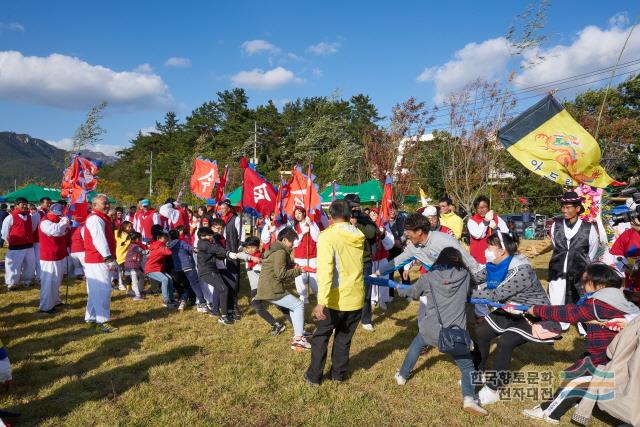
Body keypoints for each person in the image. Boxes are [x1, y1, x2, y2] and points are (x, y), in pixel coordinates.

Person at [522, 264, 640, 424]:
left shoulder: (600, 302)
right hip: (624, 354)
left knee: (576, 377)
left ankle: (549, 412)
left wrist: (536, 310)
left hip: (608, 356)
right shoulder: (619, 297)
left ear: (600, 284)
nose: (582, 285)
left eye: (585, 281)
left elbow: (570, 314)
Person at [394, 247, 488, 416]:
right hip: (455, 334)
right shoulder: (465, 276)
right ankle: (469, 398)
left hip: (430, 329)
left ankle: (402, 376)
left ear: (440, 261)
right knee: (467, 367)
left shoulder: (428, 277)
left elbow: (412, 293)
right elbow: (472, 290)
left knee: (416, 346)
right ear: (458, 261)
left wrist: (398, 287)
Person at [469, 233, 558, 406]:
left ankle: (493, 389)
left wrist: (463, 293)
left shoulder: (521, 270)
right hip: (511, 310)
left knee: (506, 342)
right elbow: (474, 278)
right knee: (481, 332)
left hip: (532, 315)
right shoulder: (496, 265)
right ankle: (477, 372)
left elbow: (494, 294)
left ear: (501, 250)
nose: (486, 251)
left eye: (489, 248)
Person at [304, 200, 365, 385]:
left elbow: (326, 270)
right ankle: (338, 374)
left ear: (330, 215)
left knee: (321, 337)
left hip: (335, 298)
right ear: (349, 215)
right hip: (356, 296)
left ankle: (314, 376)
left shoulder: (328, 236)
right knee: (343, 338)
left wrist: (321, 301)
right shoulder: (358, 233)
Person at [373, 213, 481, 280]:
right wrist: (378, 273)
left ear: (419, 231)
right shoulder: (413, 248)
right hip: (438, 285)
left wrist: (477, 280)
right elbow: (397, 261)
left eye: (408, 231)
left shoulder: (444, 241)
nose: (406, 234)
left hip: (461, 282)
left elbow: (467, 261)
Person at [548, 191, 599, 330]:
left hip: (579, 272)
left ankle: (583, 327)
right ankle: (558, 325)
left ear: (577, 209)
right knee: (556, 298)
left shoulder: (589, 229)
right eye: (563, 207)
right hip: (557, 270)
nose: (564, 210)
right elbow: (555, 245)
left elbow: (592, 252)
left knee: (581, 300)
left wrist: (583, 266)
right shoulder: (555, 226)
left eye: (568, 207)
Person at [255, 227, 312, 351]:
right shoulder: (280, 252)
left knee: (294, 305)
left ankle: (299, 332)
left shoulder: (276, 249)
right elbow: (281, 274)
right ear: (285, 240)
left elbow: (279, 266)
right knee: (298, 305)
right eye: (292, 242)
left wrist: (291, 264)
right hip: (271, 289)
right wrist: (298, 271)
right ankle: (298, 340)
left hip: (269, 287)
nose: (293, 245)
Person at [240, 236, 290, 335]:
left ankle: (293, 320)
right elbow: (241, 252)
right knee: (257, 306)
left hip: (264, 286)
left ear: (258, 247)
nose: (249, 250)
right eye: (248, 247)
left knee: (279, 305)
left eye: (252, 247)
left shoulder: (259, 259)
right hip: (256, 287)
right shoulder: (249, 255)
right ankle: (277, 324)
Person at [83, 194, 118, 333]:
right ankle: (102, 321)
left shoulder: (100, 218)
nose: (108, 205)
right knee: (103, 290)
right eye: (104, 203)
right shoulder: (95, 219)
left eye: (108, 203)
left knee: (95, 291)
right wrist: (108, 257)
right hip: (98, 259)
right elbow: (99, 239)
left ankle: (91, 318)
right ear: (95, 205)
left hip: (96, 259)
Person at [344, 194, 377, 331]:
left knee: (366, 292)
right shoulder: (341, 220)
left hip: (365, 260)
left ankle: (366, 319)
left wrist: (357, 223)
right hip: (347, 260)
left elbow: (371, 233)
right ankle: (345, 319)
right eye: (351, 206)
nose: (354, 209)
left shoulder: (364, 217)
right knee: (346, 290)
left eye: (356, 206)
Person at [196, 226, 236, 324]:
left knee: (226, 287)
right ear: (202, 236)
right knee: (223, 289)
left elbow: (218, 253)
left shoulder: (208, 244)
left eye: (211, 235)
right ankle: (224, 316)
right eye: (209, 235)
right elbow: (215, 248)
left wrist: (228, 254)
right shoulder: (204, 244)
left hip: (213, 270)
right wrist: (227, 253)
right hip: (207, 272)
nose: (211, 237)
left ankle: (225, 311)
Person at [38, 203, 71, 314]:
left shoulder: (58, 220)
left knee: (56, 281)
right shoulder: (45, 222)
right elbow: (56, 231)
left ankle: (55, 300)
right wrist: (65, 221)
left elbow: (63, 231)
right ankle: (46, 306)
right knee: (49, 282)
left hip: (59, 254)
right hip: (49, 256)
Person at [1, 197, 38, 290]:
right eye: (23, 204)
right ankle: (11, 283)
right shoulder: (10, 217)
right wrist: (8, 241)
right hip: (16, 246)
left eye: (26, 204)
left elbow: (32, 228)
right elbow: (5, 231)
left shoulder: (29, 216)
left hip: (29, 245)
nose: (25, 206)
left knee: (30, 264)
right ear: (17, 205)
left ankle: (27, 280)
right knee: (14, 264)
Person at [167, 229, 206, 311]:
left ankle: (184, 302)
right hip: (188, 266)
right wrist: (199, 250)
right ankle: (202, 302)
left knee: (187, 286)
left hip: (178, 269)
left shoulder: (169, 245)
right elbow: (190, 248)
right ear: (178, 235)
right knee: (195, 285)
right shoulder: (181, 242)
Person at [467, 195, 509, 265]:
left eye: (484, 207)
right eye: (479, 208)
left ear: (488, 207)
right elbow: (477, 235)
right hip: (478, 259)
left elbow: (505, 234)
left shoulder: (496, 218)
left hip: (495, 258)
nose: (481, 210)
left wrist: (496, 228)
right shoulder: (472, 220)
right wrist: (486, 221)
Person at [292, 207, 320, 304]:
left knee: (314, 275)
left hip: (312, 254)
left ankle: (318, 295)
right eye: (296, 214)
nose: (298, 215)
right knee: (299, 276)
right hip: (299, 256)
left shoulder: (312, 223)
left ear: (304, 213)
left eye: (299, 213)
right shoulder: (294, 227)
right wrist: (302, 233)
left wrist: (311, 225)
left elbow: (317, 238)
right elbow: (294, 243)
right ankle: (303, 296)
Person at [607, 215, 640, 294]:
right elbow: (618, 254)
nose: (631, 221)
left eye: (636, 217)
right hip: (632, 284)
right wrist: (624, 267)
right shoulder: (628, 234)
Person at [144, 232, 177, 308]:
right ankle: (165, 300)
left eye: (167, 238)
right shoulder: (160, 246)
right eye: (165, 238)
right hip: (151, 269)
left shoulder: (156, 245)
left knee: (170, 279)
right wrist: (171, 245)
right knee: (165, 279)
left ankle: (171, 299)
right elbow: (169, 252)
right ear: (159, 238)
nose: (167, 240)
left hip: (157, 268)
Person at [217, 200, 243, 294]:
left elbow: (241, 232)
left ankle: (234, 290)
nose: (222, 210)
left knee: (233, 268)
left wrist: (241, 244)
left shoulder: (235, 218)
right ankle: (226, 285)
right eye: (221, 208)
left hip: (232, 246)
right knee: (224, 267)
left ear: (228, 208)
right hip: (222, 246)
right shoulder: (220, 218)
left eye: (224, 208)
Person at [124, 232, 146, 300]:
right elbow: (143, 252)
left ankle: (138, 291)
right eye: (140, 238)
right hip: (132, 266)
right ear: (136, 239)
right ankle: (137, 295)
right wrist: (152, 249)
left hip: (135, 265)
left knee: (142, 276)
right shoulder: (135, 246)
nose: (141, 239)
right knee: (135, 280)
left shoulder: (133, 245)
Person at [114, 221, 133, 291]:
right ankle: (125, 286)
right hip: (123, 256)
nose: (131, 228)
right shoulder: (127, 236)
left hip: (119, 255)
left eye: (131, 226)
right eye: (129, 227)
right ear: (124, 227)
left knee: (121, 271)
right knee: (125, 272)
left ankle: (121, 284)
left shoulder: (116, 232)